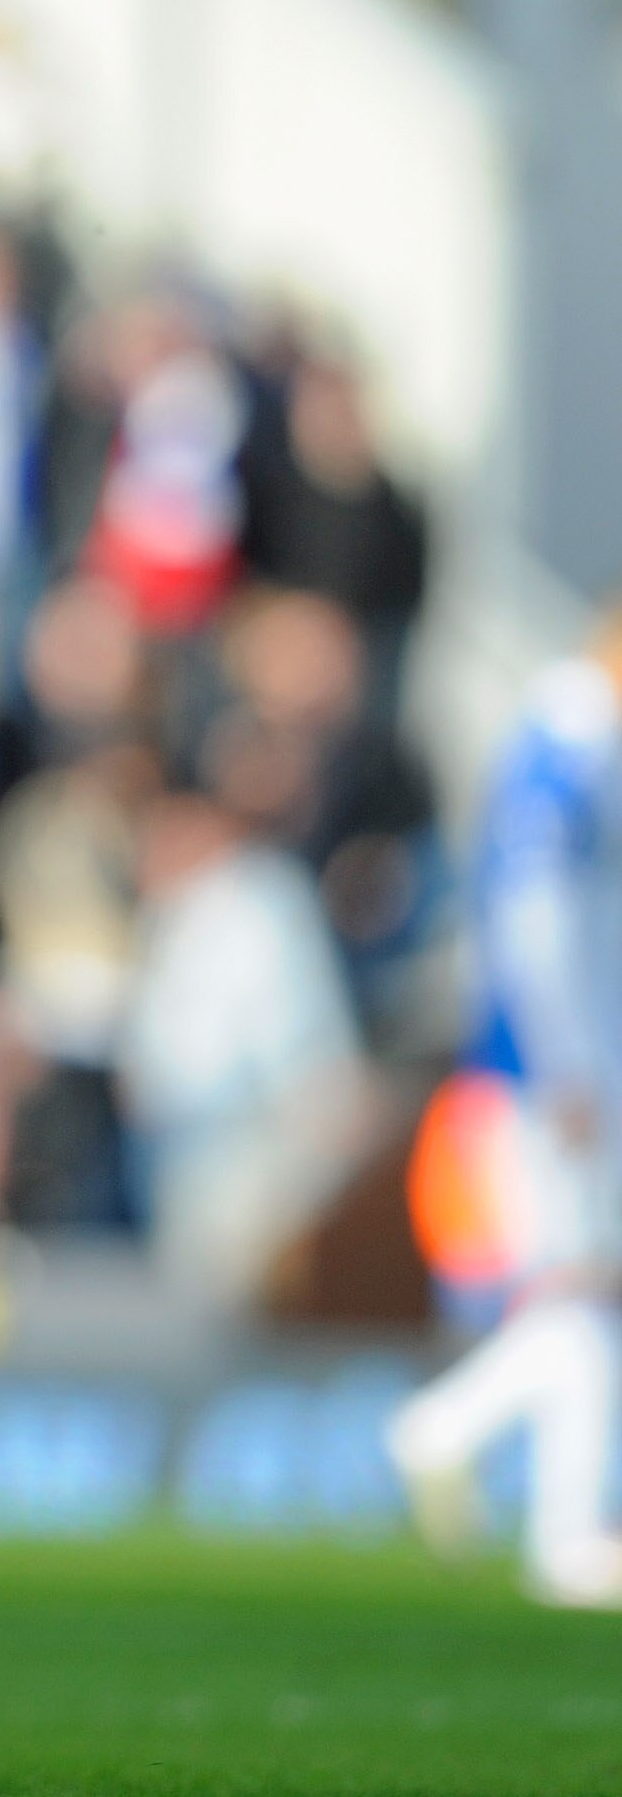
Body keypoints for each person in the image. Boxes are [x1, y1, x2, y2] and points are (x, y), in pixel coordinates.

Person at [389, 619, 622, 1606]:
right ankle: (564, 1541)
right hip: (546, 1080)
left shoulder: (575, 752)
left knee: (586, 1293)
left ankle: (441, 1433)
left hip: (564, 1072)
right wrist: (563, 1063)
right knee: (574, 1295)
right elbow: (527, 923)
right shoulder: (561, 757)